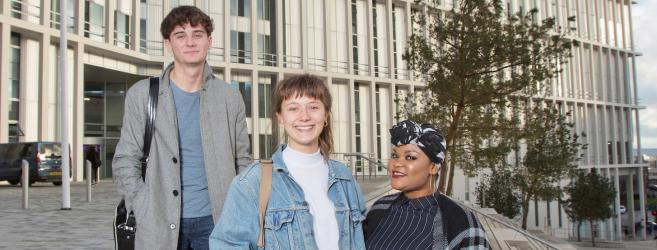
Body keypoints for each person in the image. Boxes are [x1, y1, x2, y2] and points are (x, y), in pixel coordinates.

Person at [112, 5, 252, 250]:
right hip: (158, 221)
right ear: (168, 43)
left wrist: (241, 211)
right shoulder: (142, 95)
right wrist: (143, 206)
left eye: (197, 34)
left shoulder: (230, 97)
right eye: (180, 35)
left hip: (219, 221)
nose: (190, 42)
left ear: (209, 41)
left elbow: (243, 161)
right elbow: (125, 159)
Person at [209, 74, 367, 249]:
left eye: (313, 107)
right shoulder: (252, 182)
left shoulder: (344, 177)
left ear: (326, 116)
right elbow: (227, 245)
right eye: (293, 108)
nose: (304, 116)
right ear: (280, 117)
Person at [364, 120, 490, 249]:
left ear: (433, 167)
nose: (396, 163)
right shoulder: (380, 207)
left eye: (410, 157)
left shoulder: (461, 222)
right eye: (394, 155)